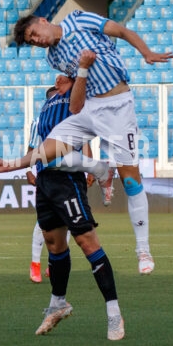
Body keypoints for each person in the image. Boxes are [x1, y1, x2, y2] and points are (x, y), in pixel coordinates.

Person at [0, 10, 173, 274]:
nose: (36, 40)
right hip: (89, 107)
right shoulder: (54, 58)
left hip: (118, 106)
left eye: (34, 34)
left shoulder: (78, 20)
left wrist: (146, 52)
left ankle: (143, 250)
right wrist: (72, 82)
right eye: (31, 41)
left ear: (44, 21)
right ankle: (15, 164)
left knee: (130, 180)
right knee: (55, 152)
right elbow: (77, 100)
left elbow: (122, 31)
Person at [0, 81, 125, 340]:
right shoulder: (45, 112)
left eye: (62, 79)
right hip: (45, 182)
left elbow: (76, 139)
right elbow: (37, 150)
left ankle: (114, 313)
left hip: (67, 180)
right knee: (54, 244)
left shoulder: (76, 104)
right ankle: (58, 304)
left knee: (87, 242)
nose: (56, 82)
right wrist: (22, 168)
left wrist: (90, 165)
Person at [27, 76, 112, 283]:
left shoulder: (72, 116)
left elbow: (83, 143)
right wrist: (29, 170)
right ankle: (35, 264)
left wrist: (89, 168)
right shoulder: (39, 121)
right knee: (43, 224)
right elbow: (32, 147)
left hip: (70, 172)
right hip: (48, 172)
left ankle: (51, 265)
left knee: (66, 222)